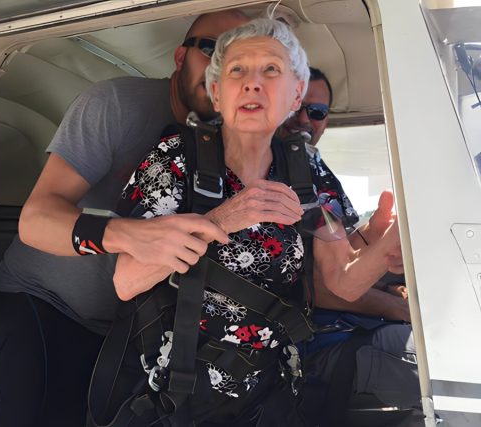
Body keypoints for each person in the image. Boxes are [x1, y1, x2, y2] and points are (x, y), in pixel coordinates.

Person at [107, 17, 402, 426]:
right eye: (237, 70)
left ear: (296, 92)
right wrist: (222, 218)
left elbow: (342, 279)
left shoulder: (306, 172)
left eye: (271, 70)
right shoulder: (175, 158)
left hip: (270, 395)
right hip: (174, 397)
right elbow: (127, 280)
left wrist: (386, 250)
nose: (252, 83)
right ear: (216, 91)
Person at [0, 10, 249, 427]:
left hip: (126, 338)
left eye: (239, 56)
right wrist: (130, 236)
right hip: (41, 306)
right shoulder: (116, 105)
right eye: (212, 49)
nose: (223, 67)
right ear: (179, 56)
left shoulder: (235, 143)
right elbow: (37, 218)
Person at [277, 67, 421, 424]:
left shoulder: (315, 170)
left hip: (346, 326)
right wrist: (403, 311)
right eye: (293, 104)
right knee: (451, 363)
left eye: (317, 111)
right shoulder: (271, 173)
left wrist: (377, 243)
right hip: (314, 342)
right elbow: (322, 289)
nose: (304, 119)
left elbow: (343, 254)